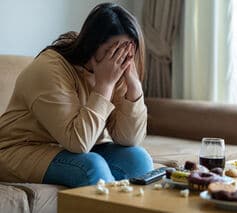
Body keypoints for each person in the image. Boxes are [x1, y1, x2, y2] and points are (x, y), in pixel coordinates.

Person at [0, 3, 153, 187]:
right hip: (22, 150)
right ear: (92, 45)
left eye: (126, 52)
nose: (119, 58)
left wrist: (134, 87)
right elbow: (78, 143)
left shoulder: (116, 70)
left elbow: (128, 139)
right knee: (91, 167)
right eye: (112, 51)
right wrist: (104, 85)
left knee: (138, 160)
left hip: (70, 148)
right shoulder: (49, 69)